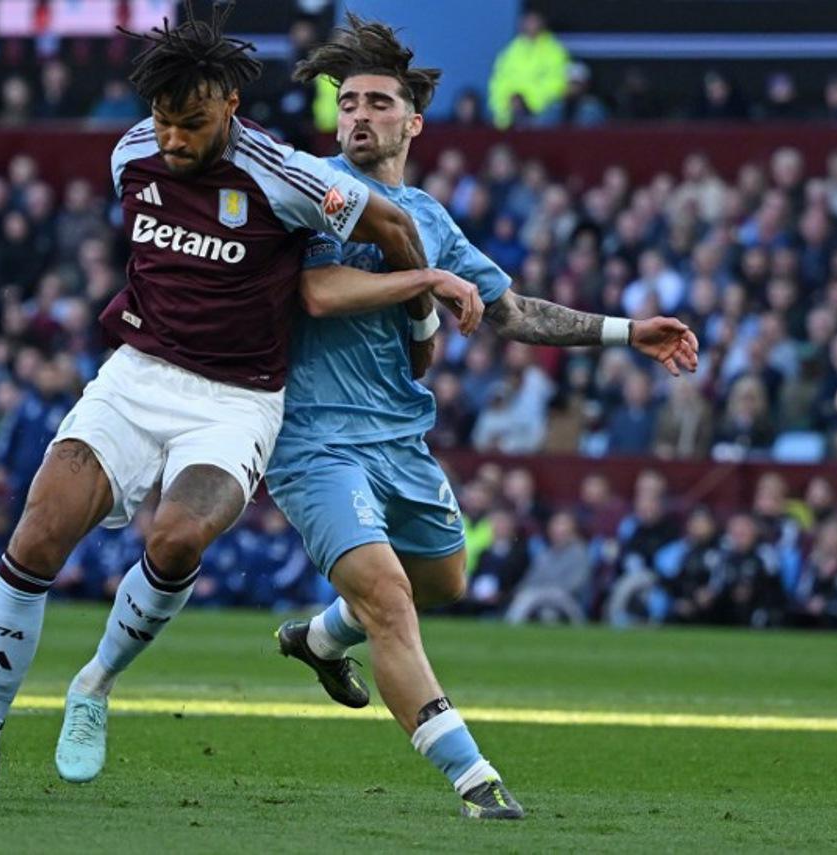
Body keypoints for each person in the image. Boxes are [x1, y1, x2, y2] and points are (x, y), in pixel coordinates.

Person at [0, 0, 433, 789]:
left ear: (230, 106)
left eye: (191, 121)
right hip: (136, 375)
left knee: (178, 538)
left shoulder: (288, 177)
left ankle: (95, 683)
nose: (173, 139)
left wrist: (420, 322)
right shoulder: (132, 154)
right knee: (41, 526)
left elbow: (390, 225)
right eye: (163, 119)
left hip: (237, 399)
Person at [265, 15, 699, 820]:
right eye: (347, 101)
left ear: (413, 120)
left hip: (401, 436)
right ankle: (475, 780)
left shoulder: (429, 213)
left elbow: (512, 310)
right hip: (316, 439)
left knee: (443, 580)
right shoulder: (311, 189)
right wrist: (424, 280)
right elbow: (317, 294)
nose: (357, 115)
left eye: (376, 102)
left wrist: (624, 331)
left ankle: (319, 639)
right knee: (391, 601)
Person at [487, 10, 569, 128]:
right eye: (527, 22)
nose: (530, 25)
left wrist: (526, 102)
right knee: (491, 118)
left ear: (542, 24)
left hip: (539, 109)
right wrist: (507, 102)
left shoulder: (555, 51)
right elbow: (498, 81)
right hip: (511, 109)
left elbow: (557, 84)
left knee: (553, 110)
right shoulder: (511, 52)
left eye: (534, 22)